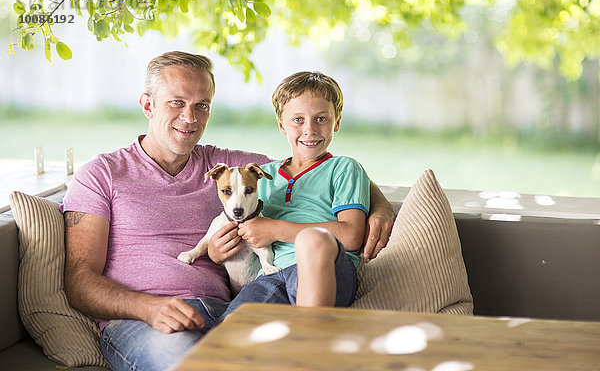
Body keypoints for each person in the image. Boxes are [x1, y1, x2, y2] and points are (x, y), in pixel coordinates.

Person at [61, 51, 395, 371]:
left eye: (201, 105)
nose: (190, 117)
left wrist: (379, 207)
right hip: (146, 321)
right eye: (176, 102)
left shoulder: (229, 168)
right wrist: (148, 307)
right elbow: (79, 281)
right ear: (148, 105)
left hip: (225, 310)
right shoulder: (102, 173)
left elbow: (313, 169)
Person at [220, 71, 373, 318]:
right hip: (270, 275)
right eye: (298, 120)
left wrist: (275, 229)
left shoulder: (344, 168)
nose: (310, 129)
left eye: (321, 118)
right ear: (282, 125)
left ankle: (310, 343)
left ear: (337, 122)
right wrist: (216, 251)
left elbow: (352, 236)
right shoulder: (260, 177)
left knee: (312, 240)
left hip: (325, 269)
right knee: (227, 331)